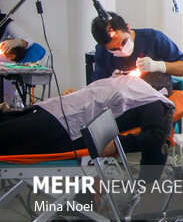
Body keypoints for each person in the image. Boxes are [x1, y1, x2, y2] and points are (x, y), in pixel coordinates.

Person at [0, 72, 174, 184]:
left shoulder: (151, 98)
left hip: (61, 126)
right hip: (56, 114)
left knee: (9, 133)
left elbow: (156, 137)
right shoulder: (125, 83)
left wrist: (117, 144)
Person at [90, 11, 183, 81]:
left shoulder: (153, 38)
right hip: (123, 100)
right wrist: (111, 82)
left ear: (127, 27)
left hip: (155, 97)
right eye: (114, 49)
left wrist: (158, 66)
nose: (122, 49)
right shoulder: (102, 52)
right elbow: (97, 87)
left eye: (124, 42)